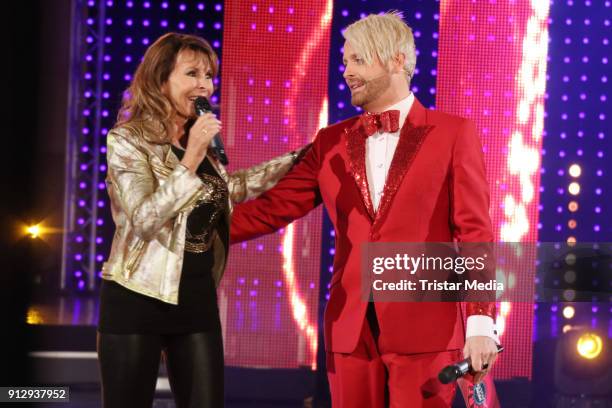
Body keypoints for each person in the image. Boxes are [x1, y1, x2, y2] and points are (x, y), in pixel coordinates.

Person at [230, 12, 499, 407]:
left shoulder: (453, 133)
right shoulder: (331, 140)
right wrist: (192, 230)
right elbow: (273, 209)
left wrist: (480, 320)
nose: (346, 72)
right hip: (351, 328)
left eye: (357, 60)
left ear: (396, 61)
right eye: (344, 62)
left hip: (426, 329)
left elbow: (475, 233)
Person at [97, 32, 305, 408]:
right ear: (161, 79)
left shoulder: (204, 148)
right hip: (138, 298)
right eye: (192, 73)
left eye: (209, 75)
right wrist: (190, 157)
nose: (204, 85)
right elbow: (144, 219)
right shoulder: (128, 140)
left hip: (196, 298)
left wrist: (295, 159)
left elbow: (230, 189)